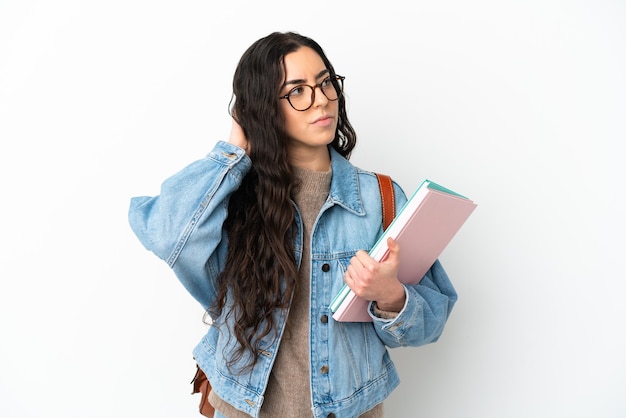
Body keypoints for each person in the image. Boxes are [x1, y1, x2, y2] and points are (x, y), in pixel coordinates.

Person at [128, 31, 457, 418]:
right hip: (241, 408)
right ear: (265, 108)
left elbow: (431, 322)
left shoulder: (380, 198)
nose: (321, 100)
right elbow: (166, 233)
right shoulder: (233, 195)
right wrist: (234, 150)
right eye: (297, 91)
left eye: (325, 83)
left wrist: (390, 296)